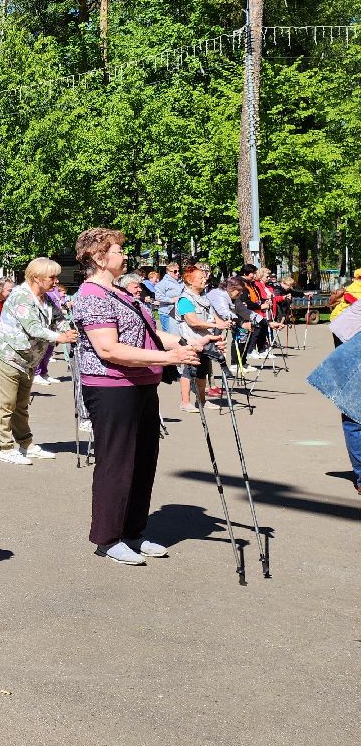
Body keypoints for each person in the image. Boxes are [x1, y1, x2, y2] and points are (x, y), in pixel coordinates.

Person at [72, 228, 204, 566]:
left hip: (142, 384)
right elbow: (109, 348)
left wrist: (185, 343)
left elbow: (149, 332)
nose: (125, 255)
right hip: (111, 387)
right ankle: (107, 537)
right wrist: (170, 359)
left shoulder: (121, 292)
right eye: (118, 250)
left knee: (144, 461)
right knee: (116, 463)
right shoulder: (91, 295)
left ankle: (132, 532)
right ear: (99, 257)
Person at [0, 258, 78, 465]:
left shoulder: (45, 297)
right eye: (52, 277)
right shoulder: (21, 296)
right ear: (36, 278)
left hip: (28, 361)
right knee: (5, 405)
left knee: (21, 405)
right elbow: (33, 328)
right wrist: (60, 337)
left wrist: (69, 330)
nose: (56, 281)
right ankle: (5, 448)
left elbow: (58, 318)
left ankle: (26, 445)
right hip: (7, 357)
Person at [174, 263, 230, 413]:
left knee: (202, 371)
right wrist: (215, 324)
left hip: (205, 339)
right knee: (189, 370)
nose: (205, 279)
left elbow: (216, 319)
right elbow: (193, 322)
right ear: (190, 281)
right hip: (191, 340)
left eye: (205, 276)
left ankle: (202, 402)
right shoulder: (185, 299)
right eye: (200, 277)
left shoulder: (203, 298)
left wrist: (223, 325)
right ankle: (185, 402)